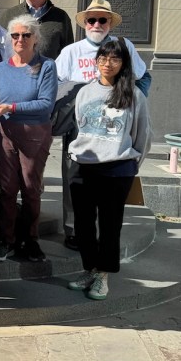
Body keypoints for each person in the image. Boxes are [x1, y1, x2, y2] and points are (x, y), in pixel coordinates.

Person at [55, 0, 147, 250]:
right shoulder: (71, 51)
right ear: (85, 23)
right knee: (73, 178)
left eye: (102, 19)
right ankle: (74, 229)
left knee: (108, 188)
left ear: (110, 24)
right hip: (81, 118)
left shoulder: (122, 45)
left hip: (114, 117)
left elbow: (139, 74)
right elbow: (57, 81)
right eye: (91, 19)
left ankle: (102, 232)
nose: (97, 23)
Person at [66, 38, 150, 300]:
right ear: (96, 61)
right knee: (83, 225)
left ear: (123, 62)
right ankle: (90, 268)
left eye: (114, 58)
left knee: (110, 225)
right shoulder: (85, 92)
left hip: (117, 169)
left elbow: (143, 134)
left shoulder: (133, 95)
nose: (107, 63)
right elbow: (80, 125)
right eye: (103, 58)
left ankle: (103, 275)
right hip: (83, 166)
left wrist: (131, 162)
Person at [0, 15, 57, 263]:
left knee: (31, 188)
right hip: (4, 134)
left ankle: (30, 239)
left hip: (34, 134)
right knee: (7, 189)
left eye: (26, 35)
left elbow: (46, 104)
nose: (20, 39)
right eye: (15, 35)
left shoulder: (46, 66)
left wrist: (12, 108)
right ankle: (6, 240)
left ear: (35, 39)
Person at [1, 0, 73, 59]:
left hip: (48, 72)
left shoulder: (61, 17)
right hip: (14, 72)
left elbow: (67, 53)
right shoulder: (9, 15)